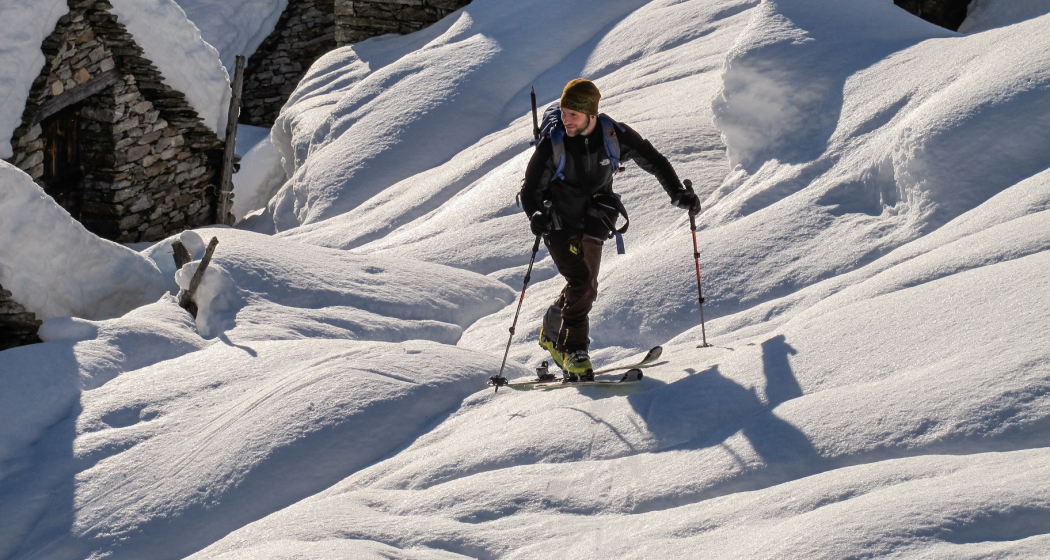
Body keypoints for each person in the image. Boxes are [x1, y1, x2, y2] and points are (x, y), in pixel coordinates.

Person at [519, 78, 700, 382]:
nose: (566, 120)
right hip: (558, 221)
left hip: (595, 216)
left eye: (573, 115)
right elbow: (529, 191)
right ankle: (574, 351)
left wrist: (677, 193)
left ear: (591, 114)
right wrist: (536, 213)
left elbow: (654, 160)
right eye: (563, 113)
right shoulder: (555, 144)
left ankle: (552, 331)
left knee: (586, 285)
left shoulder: (614, 136)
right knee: (582, 282)